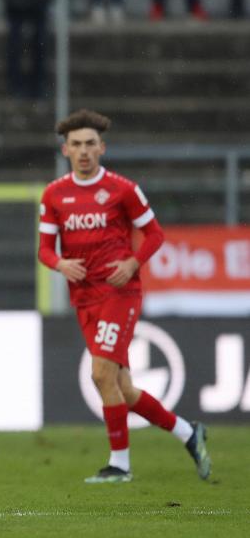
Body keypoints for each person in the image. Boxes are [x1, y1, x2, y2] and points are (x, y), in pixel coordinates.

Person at [38, 109, 211, 483]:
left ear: (102, 147)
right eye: (76, 144)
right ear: (65, 150)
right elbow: (44, 250)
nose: (84, 151)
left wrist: (132, 264)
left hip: (119, 293)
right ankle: (188, 432)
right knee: (124, 388)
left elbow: (155, 235)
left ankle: (120, 464)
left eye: (90, 144)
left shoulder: (123, 189)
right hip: (84, 298)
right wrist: (60, 265)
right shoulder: (54, 194)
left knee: (101, 374)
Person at [1, 0, 53, 99]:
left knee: (39, 42)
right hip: (18, 2)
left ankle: (36, 84)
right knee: (16, 43)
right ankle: (18, 85)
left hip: (37, 2)